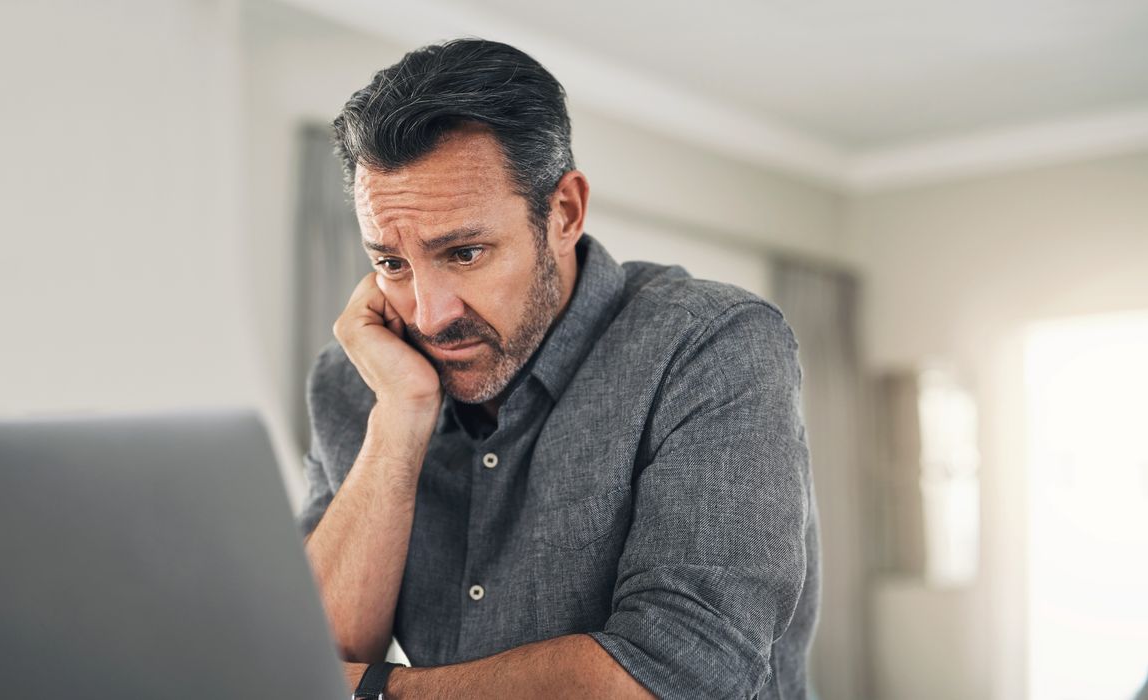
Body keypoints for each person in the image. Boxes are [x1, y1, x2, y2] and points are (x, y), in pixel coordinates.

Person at [299, 38, 819, 699]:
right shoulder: (362, 379)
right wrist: (400, 418)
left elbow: (682, 674)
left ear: (564, 213)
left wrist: (384, 692)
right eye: (391, 265)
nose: (428, 316)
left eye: (463, 253)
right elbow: (309, 660)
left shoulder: (709, 345)